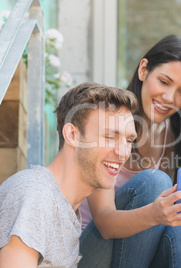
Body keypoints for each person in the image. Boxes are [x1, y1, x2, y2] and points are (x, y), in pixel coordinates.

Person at [78, 35, 181, 267]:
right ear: (143, 70)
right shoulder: (108, 119)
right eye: (164, 82)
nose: (170, 98)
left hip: (138, 253)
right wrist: (155, 213)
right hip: (90, 250)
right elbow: (104, 223)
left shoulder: (175, 137)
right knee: (154, 182)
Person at [0, 82, 138, 267]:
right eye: (110, 137)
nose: (123, 152)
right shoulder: (35, 196)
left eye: (129, 140)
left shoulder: (65, 209)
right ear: (72, 135)